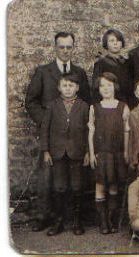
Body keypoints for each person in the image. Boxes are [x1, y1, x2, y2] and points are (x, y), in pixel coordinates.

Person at [25, 31, 91, 232]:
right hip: (52, 137)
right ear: (55, 47)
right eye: (61, 46)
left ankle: (73, 219)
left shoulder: (79, 73)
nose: (65, 50)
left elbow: (87, 102)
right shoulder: (43, 71)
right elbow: (31, 101)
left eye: (68, 47)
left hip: (75, 140)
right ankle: (45, 216)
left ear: (73, 48)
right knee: (48, 178)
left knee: (75, 180)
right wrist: (46, 122)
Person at [40, 74, 89, 236]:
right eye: (65, 85)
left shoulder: (84, 106)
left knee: (77, 187)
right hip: (57, 152)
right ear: (59, 88)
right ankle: (58, 221)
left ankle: (77, 221)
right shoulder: (52, 106)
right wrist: (46, 151)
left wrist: (88, 151)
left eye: (71, 85)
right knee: (59, 187)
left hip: (77, 152)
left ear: (77, 88)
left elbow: (89, 131)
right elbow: (45, 129)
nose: (68, 89)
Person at [88, 72, 130, 234]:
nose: (106, 89)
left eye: (109, 85)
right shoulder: (95, 108)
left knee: (113, 186)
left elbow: (127, 131)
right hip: (102, 153)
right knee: (100, 185)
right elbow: (91, 132)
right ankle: (103, 221)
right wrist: (92, 153)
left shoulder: (123, 107)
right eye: (102, 86)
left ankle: (111, 219)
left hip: (117, 153)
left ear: (115, 87)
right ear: (99, 89)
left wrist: (126, 151)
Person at [92, 29, 131, 107]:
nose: (115, 43)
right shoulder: (101, 63)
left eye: (118, 40)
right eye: (111, 41)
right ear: (106, 44)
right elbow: (96, 87)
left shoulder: (127, 63)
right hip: (108, 104)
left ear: (122, 43)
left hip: (126, 103)